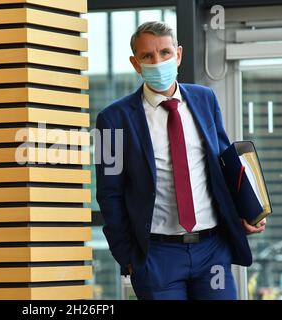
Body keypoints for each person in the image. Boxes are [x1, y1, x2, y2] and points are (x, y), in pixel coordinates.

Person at [95, 21, 266, 300]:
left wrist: (245, 212)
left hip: (212, 251)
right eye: (147, 56)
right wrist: (127, 257)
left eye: (164, 52)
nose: (158, 61)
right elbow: (108, 193)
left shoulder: (205, 99)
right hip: (157, 257)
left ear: (178, 55)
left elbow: (223, 165)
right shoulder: (111, 120)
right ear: (135, 63)